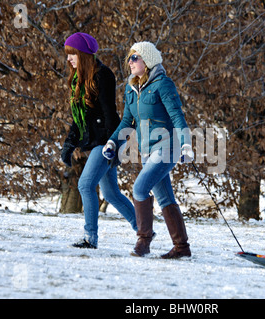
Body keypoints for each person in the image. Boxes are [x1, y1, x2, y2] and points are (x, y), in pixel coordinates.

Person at [103, 41, 194, 259]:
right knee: (165, 198)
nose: (130, 62)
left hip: (167, 147)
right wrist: (113, 142)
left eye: (135, 58)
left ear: (148, 61)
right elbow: (127, 120)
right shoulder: (131, 88)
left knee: (140, 188)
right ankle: (182, 247)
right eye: (129, 58)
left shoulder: (164, 84)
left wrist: (186, 144)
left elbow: (177, 117)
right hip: (147, 150)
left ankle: (143, 240)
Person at [62, 32, 137, 249]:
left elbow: (109, 114)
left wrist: (114, 144)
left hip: (105, 142)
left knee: (85, 184)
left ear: (83, 54)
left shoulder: (102, 75)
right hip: (95, 142)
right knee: (112, 193)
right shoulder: (78, 79)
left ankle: (90, 238)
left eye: (72, 54)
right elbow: (79, 120)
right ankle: (144, 230)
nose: (68, 59)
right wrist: (70, 143)